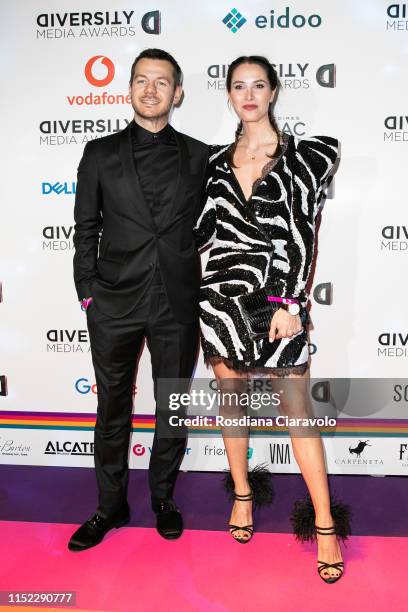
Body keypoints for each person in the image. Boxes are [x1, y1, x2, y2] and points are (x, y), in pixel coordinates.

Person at [194, 55, 350, 583]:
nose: (249, 94)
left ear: (274, 91)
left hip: (277, 304)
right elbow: (199, 236)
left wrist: (290, 303)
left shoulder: (304, 159)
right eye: (239, 86)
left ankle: (325, 522)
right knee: (232, 407)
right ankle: (242, 495)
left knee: (299, 416)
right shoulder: (212, 165)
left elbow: (305, 236)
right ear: (229, 96)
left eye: (258, 84)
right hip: (221, 303)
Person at [68, 48, 208, 551]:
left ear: (178, 92)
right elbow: (87, 227)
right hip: (114, 300)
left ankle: (163, 499)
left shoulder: (200, 156)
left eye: (162, 82)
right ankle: (110, 505)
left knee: (171, 406)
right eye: (142, 81)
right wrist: (88, 293)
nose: (151, 90)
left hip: (176, 300)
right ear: (129, 89)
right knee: (111, 408)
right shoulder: (99, 153)